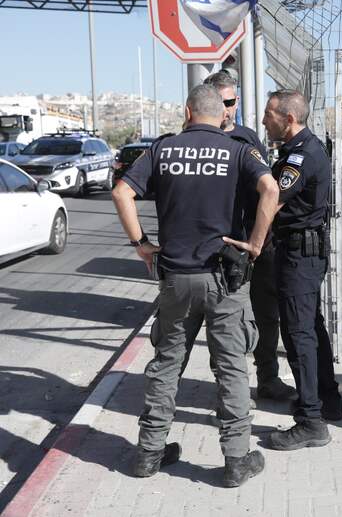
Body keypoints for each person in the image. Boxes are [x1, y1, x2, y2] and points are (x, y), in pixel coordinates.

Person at [112, 84, 279, 487]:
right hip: (226, 278)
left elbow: (121, 191)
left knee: (167, 364)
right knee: (231, 367)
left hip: (176, 277)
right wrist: (255, 244)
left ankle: (149, 452)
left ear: (187, 111)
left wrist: (141, 245)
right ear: (222, 114)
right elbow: (271, 189)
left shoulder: (162, 149)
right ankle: (237, 459)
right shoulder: (239, 150)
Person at [258, 89, 342, 451]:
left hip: (299, 254)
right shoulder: (298, 150)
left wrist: (253, 243)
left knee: (298, 335)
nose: (264, 121)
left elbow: (272, 199)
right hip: (302, 252)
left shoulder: (302, 155)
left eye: (269, 115)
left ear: (288, 119)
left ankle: (311, 421)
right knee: (311, 327)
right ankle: (327, 400)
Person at [203, 71, 296, 401]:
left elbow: (269, 187)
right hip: (223, 247)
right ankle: (228, 388)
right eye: (225, 102)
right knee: (226, 321)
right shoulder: (200, 141)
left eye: (234, 101)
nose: (230, 108)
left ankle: (268, 377)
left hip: (257, 241)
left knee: (267, 315)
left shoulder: (248, 138)